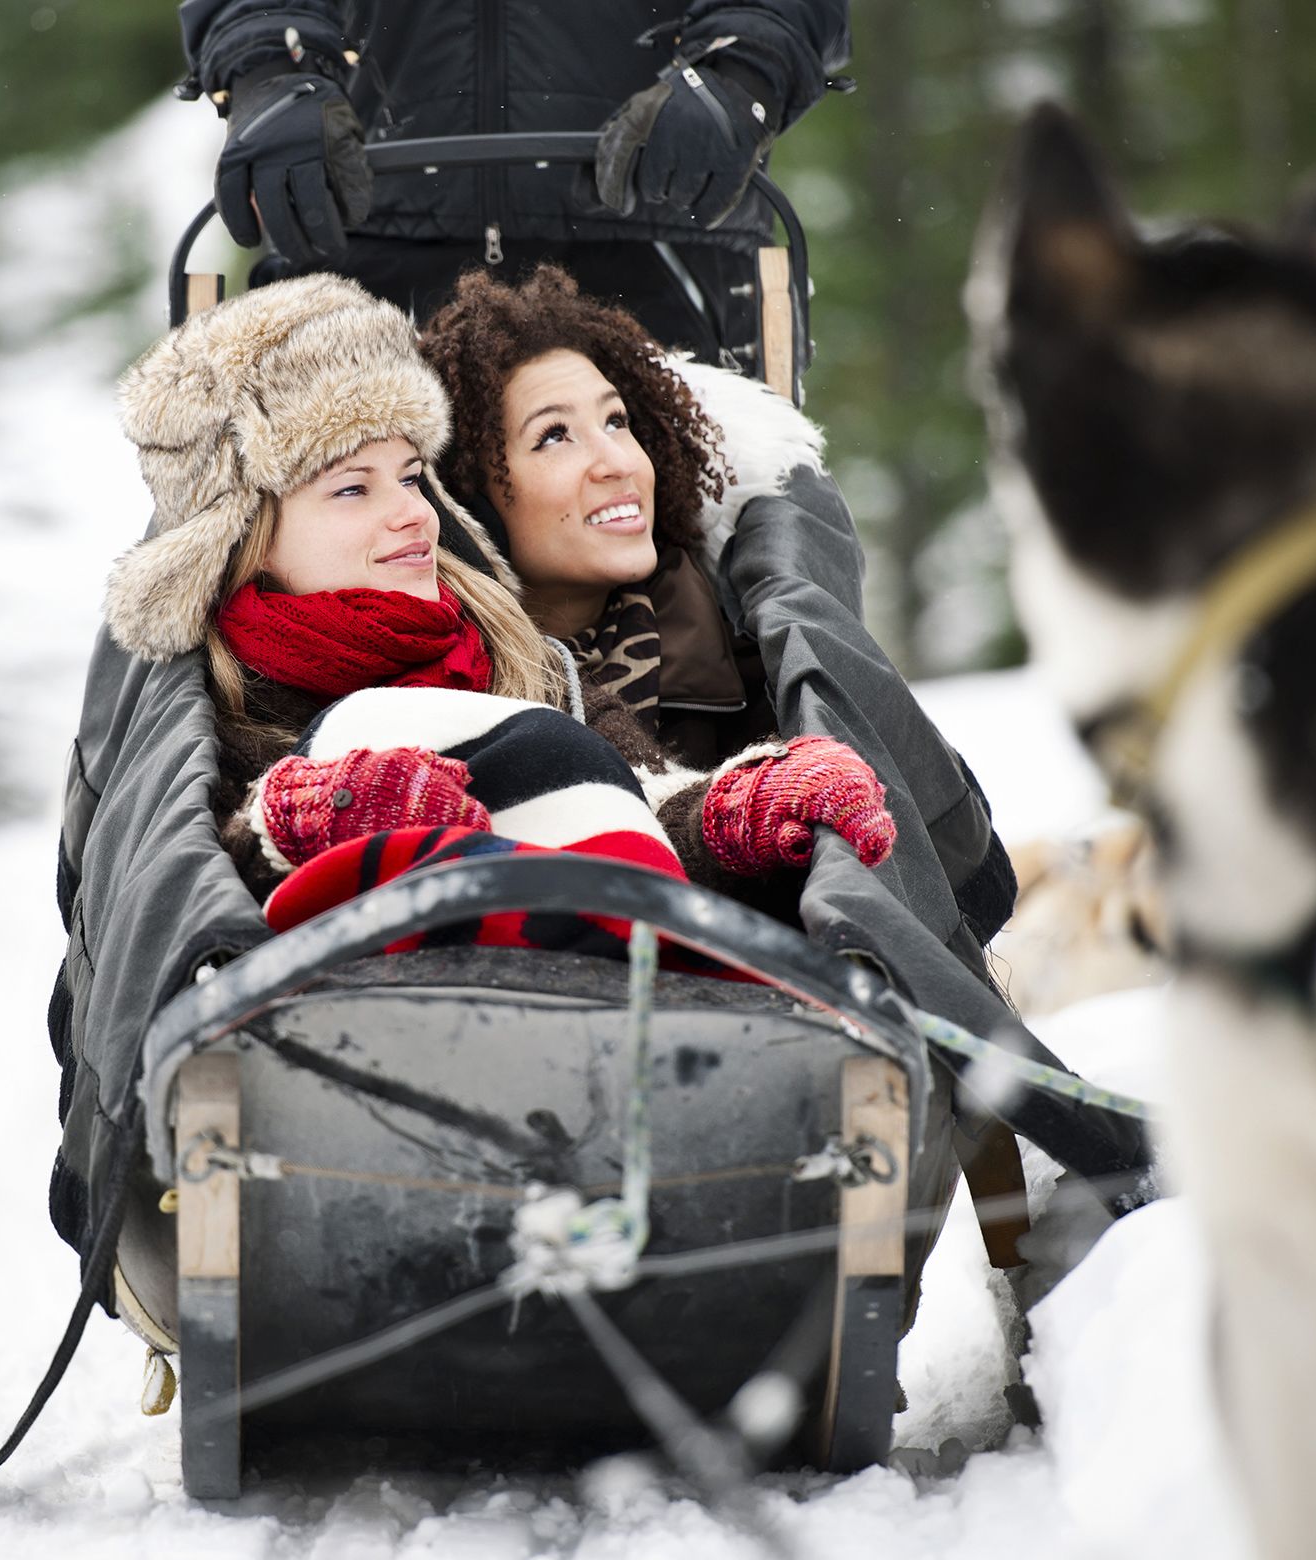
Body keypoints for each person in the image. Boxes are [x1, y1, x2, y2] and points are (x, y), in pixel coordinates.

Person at [423, 264, 1083, 1277]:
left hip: (732, 1096)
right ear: (472, 490)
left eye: (616, 421)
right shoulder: (432, 676)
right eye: (554, 436)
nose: (613, 464)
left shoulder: (734, 658)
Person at [104, 271, 899, 916]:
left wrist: (732, 815)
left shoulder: (516, 657)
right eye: (354, 490)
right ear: (248, 541)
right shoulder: (224, 700)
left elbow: (628, 802)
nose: (412, 513)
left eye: (414, 477)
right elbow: (190, 887)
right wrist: (291, 826)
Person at [176, 1, 852, 364]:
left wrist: (741, 74)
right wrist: (269, 67)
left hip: (662, 240)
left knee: (747, 578)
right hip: (361, 250)